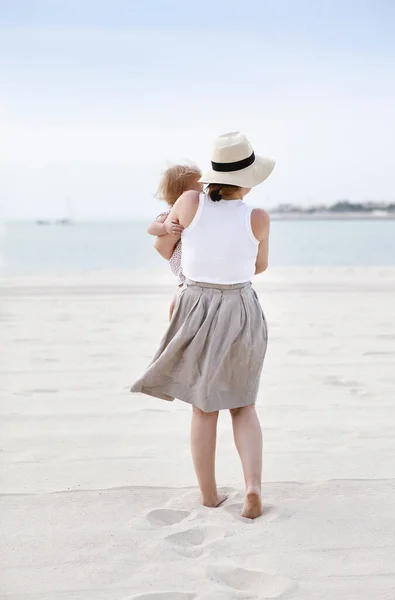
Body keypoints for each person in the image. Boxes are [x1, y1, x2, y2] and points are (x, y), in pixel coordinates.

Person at [131, 132, 274, 519]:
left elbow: (166, 242)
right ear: (247, 179)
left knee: (203, 408)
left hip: (195, 303)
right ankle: (252, 488)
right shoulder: (257, 217)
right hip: (241, 307)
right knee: (243, 405)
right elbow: (259, 267)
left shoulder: (190, 201)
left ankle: (209, 495)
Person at [147, 164, 202, 319]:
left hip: (190, 260)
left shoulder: (198, 213)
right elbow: (151, 228)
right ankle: (174, 318)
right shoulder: (168, 214)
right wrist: (165, 227)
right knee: (181, 291)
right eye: (198, 191)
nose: (202, 195)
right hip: (181, 261)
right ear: (181, 194)